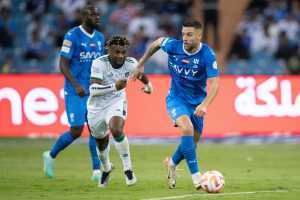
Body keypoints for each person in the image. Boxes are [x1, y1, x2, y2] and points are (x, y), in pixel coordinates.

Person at [132, 20, 219, 189]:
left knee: (191, 145)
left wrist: (205, 105)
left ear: (199, 36)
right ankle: (197, 178)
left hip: (197, 103)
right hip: (176, 99)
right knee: (186, 128)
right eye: (183, 34)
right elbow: (156, 43)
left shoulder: (207, 54)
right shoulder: (173, 46)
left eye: (190, 34)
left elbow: (215, 84)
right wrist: (141, 63)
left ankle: (172, 163)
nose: (185, 38)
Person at [43, 4, 105, 181]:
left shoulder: (100, 37)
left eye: (98, 14)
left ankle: (96, 170)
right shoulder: (72, 35)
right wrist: (76, 85)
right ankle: (51, 155)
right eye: (93, 14)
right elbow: (62, 65)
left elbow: (100, 64)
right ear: (83, 16)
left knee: (95, 130)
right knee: (76, 130)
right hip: (75, 91)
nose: (97, 17)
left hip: (94, 91)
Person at [87, 36, 153, 187]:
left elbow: (140, 75)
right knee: (101, 143)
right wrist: (114, 87)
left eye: (123, 52)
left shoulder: (130, 63)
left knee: (116, 129)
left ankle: (128, 170)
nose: (120, 56)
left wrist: (149, 85)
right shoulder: (99, 63)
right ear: (108, 50)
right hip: (96, 107)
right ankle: (106, 168)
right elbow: (92, 89)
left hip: (116, 101)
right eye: (116, 52)